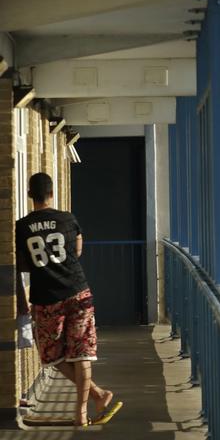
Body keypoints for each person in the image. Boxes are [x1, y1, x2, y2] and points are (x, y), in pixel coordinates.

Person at [15, 172, 115, 426]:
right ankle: (87, 405)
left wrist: (44, 267)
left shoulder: (22, 226)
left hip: (46, 298)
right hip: (77, 291)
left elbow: (23, 264)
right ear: (52, 193)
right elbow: (77, 250)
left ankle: (96, 397)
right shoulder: (68, 219)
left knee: (52, 356)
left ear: (29, 195)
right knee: (82, 354)